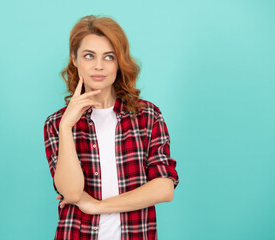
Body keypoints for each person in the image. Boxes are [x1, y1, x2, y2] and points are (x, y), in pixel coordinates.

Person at [43, 15, 179, 240]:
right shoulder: (56, 123)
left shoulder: (148, 116)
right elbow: (72, 192)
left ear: (119, 62)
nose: (98, 66)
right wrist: (66, 127)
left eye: (109, 57)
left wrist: (97, 206)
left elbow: (164, 188)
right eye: (89, 56)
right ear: (74, 60)